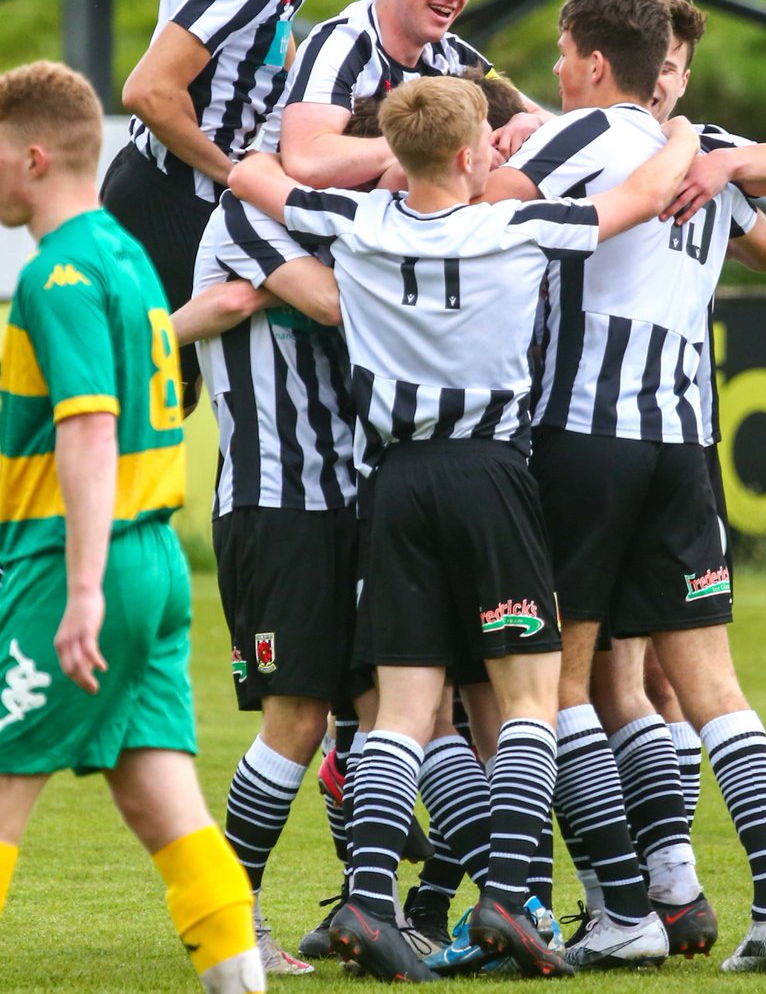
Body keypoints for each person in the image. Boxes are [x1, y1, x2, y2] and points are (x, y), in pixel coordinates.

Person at [227, 75, 700, 981]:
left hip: (394, 482)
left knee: (402, 713)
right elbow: (639, 199)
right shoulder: (516, 226)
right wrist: (674, 134)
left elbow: (259, 177)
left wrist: (289, 157)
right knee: (528, 697)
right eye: (486, 140)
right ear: (467, 153)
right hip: (490, 476)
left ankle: (369, 901)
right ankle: (511, 896)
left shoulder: (353, 224)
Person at [483, 0, 766, 974]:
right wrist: (717, 163)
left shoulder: (592, 134)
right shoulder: (700, 143)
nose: (550, 70)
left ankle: (619, 906)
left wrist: (492, 154)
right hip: (681, 443)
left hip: (583, 433)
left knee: (559, 681)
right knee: (707, 684)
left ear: (587, 59)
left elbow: (490, 204)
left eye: (557, 52)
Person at [0, 60, 265, 994]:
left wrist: (76, 590)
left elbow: (89, 424)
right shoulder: (129, 260)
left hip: (77, 562)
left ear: (32, 157)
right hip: (152, 560)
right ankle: (240, 978)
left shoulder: (58, 273)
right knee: (163, 801)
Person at [100, 0, 423, 409]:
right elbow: (149, 90)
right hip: (170, 198)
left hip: (172, 190)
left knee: (160, 404)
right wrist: (237, 175)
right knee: (122, 409)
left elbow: (270, 52)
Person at [170, 155, 355, 975]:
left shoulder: (345, 220)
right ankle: (234, 919)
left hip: (351, 500)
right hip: (277, 503)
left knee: (383, 706)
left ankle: (370, 907)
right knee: (299, 717)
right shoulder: (249, 214)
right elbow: (327, 302)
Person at [260, 0, 547, 191]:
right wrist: (441, 148)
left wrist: (528, 122)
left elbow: (545, 118)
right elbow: (307, 160)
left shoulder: (453, 53)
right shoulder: (343, 44)